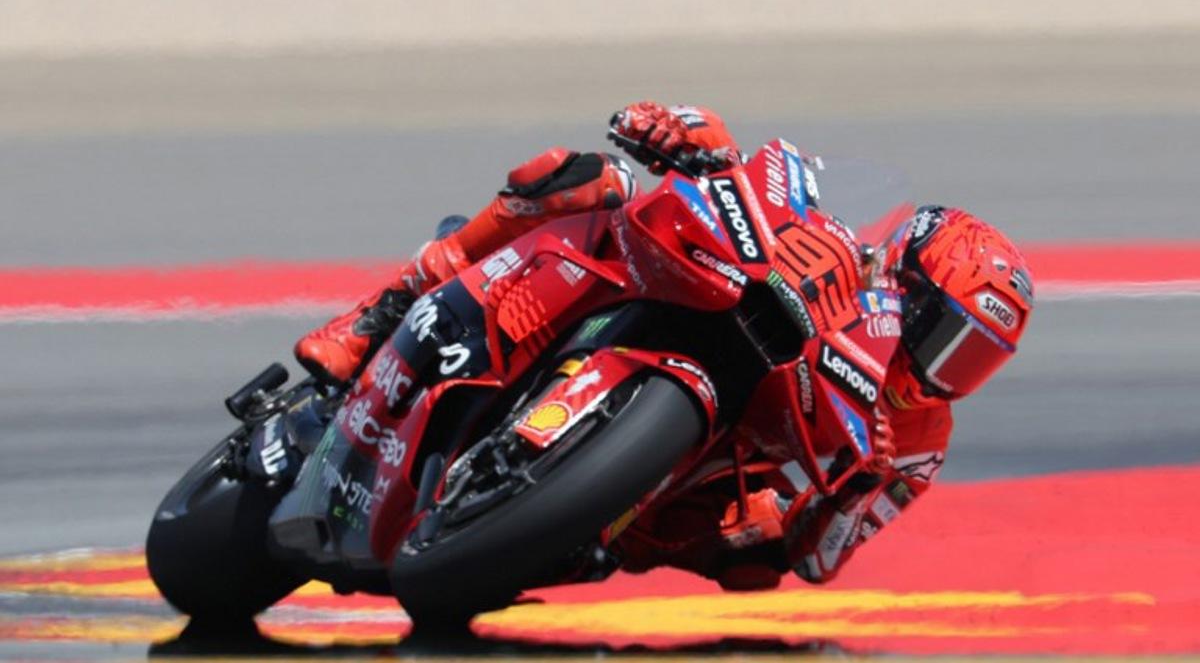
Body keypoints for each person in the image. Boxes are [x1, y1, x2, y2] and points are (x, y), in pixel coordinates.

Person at [294, 102, 1035, 589]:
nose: (944, 370)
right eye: (946, 335)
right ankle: (377, 314)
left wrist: (829, 504)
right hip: (715, 303)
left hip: (702, 481)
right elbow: (755, 183)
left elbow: (820, 556)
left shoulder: (919, 442)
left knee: (752, 563)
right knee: (577, 180)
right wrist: (693, 138)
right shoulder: (833, 251)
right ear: (903, 274)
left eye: (974, 359)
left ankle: (569, 512)